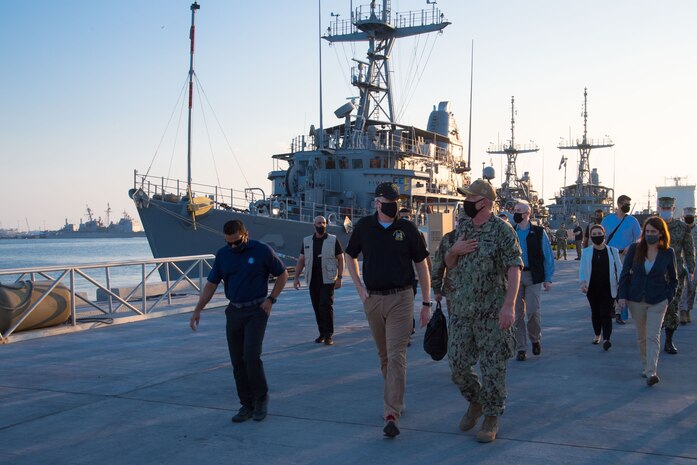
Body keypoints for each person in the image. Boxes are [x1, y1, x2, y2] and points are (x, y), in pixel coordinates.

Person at [344, 182, 431, 438]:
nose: (393, 204)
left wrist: (426, 303)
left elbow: (422, 265)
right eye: (388, 200)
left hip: (401, 298)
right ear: (377, 203)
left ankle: (391, 413)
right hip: (373, 299)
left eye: (396, 200)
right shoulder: (364, 227)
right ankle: (396, 398)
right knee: (384, 357)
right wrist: (360, 289)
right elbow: (350, 256)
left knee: (396, 356)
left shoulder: (407, 228)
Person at [444, 179, 523, 443]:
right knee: (456, 364)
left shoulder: (502, 230)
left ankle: (491, 416)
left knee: (493, 369)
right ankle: (476, 401)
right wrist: (453, 251)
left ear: (485, 203)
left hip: (492, 313)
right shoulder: (464, 227)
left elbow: (514, 267)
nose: (465, 203)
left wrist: (509, 306)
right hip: (462, 311)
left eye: (470, 199)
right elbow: (449, 263)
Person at [190, 220, 288, 422]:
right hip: (234, 311)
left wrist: (271, 299)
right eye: (229, 243)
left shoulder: (262, 250)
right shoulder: (223, 255)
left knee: (251, 357)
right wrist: (198, 309)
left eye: (237, 242)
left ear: (246, 235)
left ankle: (261, 399)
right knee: (237, 361)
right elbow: (211, 284)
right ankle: (246, 404)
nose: (233, 247)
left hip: (257, 310)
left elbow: (283, 274)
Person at [617, 216, 677, 386]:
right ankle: (646, 365)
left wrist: (668, 298)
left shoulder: (668, 252)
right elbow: (624, 274)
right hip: (636, 299)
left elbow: (674, 279)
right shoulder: (635, 249)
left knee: (653, 336)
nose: (650, 234)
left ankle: (652, 372)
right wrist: (622, 296)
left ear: (660, 234)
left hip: (658, 300)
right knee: (642, 337)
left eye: (654, 232)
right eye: (647, 231)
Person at [511, 201, 554, 361]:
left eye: (519, 211)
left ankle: (535, 339)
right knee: (517, 315)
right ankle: (521, 348)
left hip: (532, 275)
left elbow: (547, 255)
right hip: (514, 275)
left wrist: (548, 278)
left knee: (533, 312)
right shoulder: (510, 231)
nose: (516, 213)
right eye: (515, 210)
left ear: (527, 213)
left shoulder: (539, 232)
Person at [293, 216, 344, 345]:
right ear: (314, 225)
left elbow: (341, 258)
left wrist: (340, 277)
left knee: (325, 306)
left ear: (326, 224)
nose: (321, 225)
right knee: (316, 306)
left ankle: (329, 335)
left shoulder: (333, 240)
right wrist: (296, 277)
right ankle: (322, 333)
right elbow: (301, 260)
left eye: (323, 223)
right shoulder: (307, 241)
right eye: (319, 223)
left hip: (328, 278)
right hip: (313, 278)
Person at [656, 197, 695, 352]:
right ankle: (653, 340)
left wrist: (691, 268)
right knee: (654, 308)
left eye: (668, 208)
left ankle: (669, 341)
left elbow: (689, 249)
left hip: (675, 272)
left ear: (673, 209)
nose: (666, 211)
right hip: (655, 272)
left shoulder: (682, 227)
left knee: (672, 308)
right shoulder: (653, 225)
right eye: (663, 208)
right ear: (659, 209)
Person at [579, 224, 623, 350]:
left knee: (606, 313)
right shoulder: (586, 252)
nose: (597, 236)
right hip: (592, 288)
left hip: (608, 288)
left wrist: (621, 285)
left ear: (604, 235)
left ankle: (606, 338)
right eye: (594, 235)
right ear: (591, 237)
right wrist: (583, 282)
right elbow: (583, 269)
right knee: (596, 312)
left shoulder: (612, 251)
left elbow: (619, 269)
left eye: (599, 234)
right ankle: (597, 334)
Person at [602, 195, 641, 324]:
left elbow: (639, 238)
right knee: (610, 282)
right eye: (625, 204)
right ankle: (611, 307)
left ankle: (621, 312)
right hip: (610, 254)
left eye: (628, 204)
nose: (627, 206)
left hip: (626, 256)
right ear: (618, 204)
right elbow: (602, 238)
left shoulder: (632, 221)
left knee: (623, 282)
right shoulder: (607, 220)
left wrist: (630, 247)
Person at [398, 207, 432, 343]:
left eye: (407, 216)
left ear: (411, 217)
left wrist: (429, 270)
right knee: (400, 304)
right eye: (402, 217)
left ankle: (407, 330)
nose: (405, 219)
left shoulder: (417, 233)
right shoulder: (392, 232)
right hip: (396, 274)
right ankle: (405, 329)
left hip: (412, 274)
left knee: (407, 302)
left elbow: (425, 254)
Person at [431, 211, 466, 316]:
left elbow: (438, 265)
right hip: (472, 291)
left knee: (455, 324)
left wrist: (437, 289)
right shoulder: (481, 237)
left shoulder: (449, 238)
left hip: (453, 289)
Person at [679, 206, 697, 323]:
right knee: (684, 287)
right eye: (687, 217)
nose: (688, 219)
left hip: (695, 263)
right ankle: (683, 311)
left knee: (692, 288)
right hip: (683, 260)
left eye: (690, 217)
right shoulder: (680, 229)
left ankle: (688, 309)